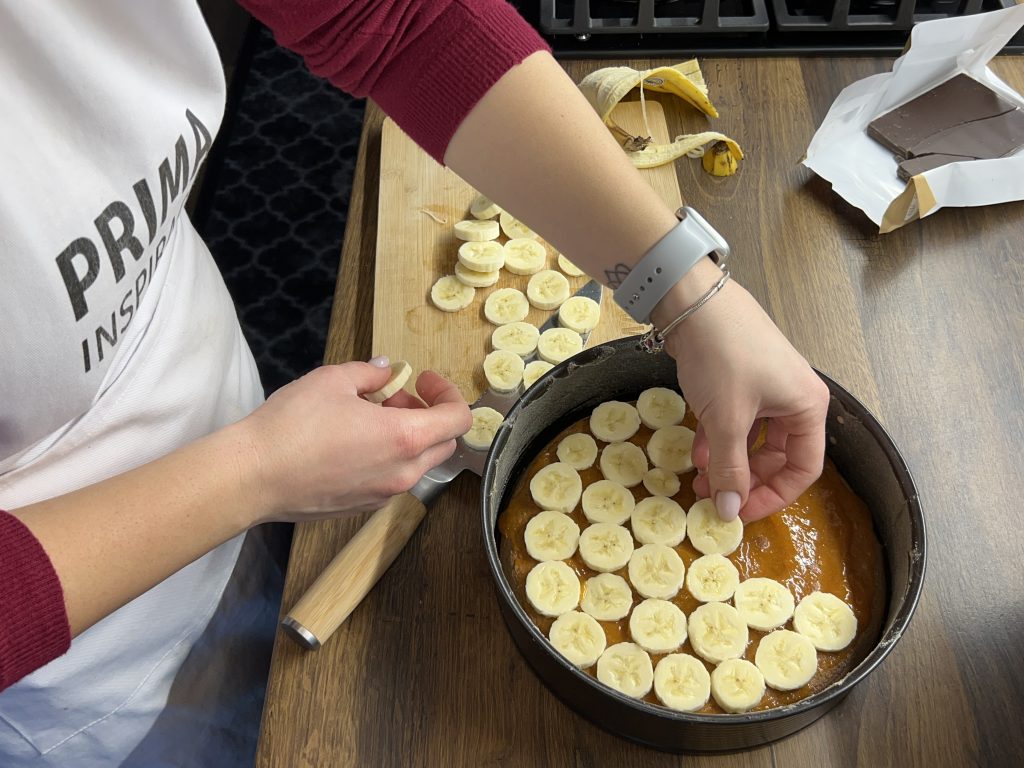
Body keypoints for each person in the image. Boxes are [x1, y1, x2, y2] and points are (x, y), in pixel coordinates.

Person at [0, 0, 829, 764]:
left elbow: (401, 17)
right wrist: (253, 472)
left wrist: (689, 291)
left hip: (229, 409)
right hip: (85, 659)